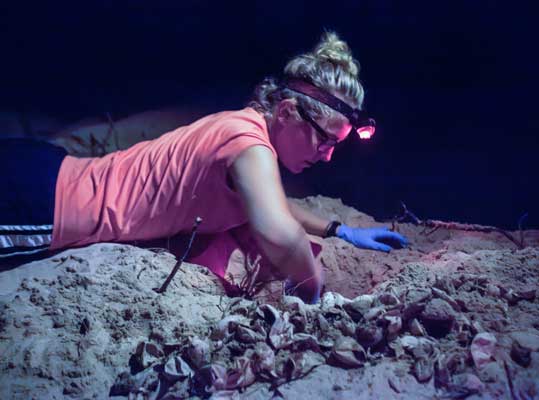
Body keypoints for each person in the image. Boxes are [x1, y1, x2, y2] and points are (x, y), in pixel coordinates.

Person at [0, 32, 408, 303]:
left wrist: (340, 229)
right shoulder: (248, 145)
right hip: (40, 207)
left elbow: (273, 205)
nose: (328, 155)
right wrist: (314, 292)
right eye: (325, 139)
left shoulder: (242, 127)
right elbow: (280, 235)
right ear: (287, 111)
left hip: (45, 171)